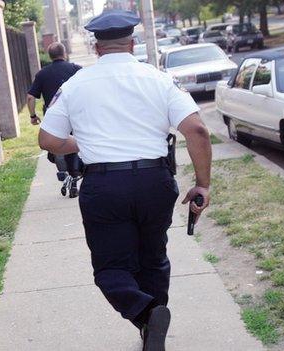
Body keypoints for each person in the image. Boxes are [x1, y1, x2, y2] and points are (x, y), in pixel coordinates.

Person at [38, 10, 212, 351]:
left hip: (105, 186)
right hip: (155, 181)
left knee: (111, 268)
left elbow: (48, 140)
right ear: (131, 43)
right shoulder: (159, 79)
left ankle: (146, 314)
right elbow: (198, 130)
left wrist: (81, 143)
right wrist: (202, 184)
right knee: (153, 259)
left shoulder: (74, 84)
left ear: (96, 46)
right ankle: (152, 323)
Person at [27, 43, 82, 197]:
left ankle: (67, 174)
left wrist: (33, 116)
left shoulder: (42, 74)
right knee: (73, 147)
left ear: (49, 55)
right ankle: (73, 176)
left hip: (54, 117)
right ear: (64, 53)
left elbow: (31, 97)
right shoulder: (76, 70)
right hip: (75, 114)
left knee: (56, 148)